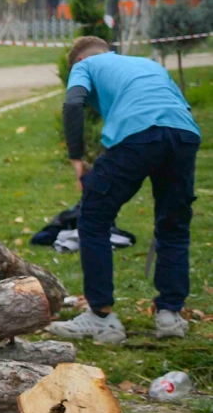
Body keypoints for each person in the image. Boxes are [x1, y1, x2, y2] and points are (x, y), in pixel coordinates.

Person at [50, 36, 200, 343]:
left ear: (78, 61)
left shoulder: (85, 65)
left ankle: (101, 317)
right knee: (173, 224)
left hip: (138, 134)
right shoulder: (147, 64)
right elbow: (173, 106)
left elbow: (73, 104)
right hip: (184, 134)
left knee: (93, 218)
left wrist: (77, 157)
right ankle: (170, 315)